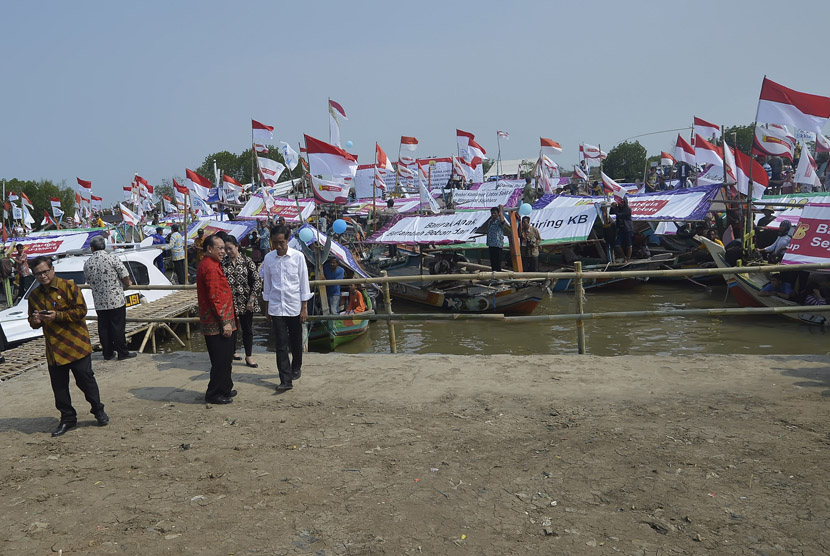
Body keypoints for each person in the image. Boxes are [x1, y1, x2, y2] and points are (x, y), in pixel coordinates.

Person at [28, 256, 108, 436]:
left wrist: (58, 316)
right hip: (54, 350)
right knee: (59, 388)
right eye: (38, 274)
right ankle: (68, 419)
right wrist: (35, 320)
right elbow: (32, 322)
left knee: (86, 381)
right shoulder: (34, 296)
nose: (42, 276)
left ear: (52, 269)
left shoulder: (68, 287)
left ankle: (98, 410)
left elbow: (81, 311)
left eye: (45, 272)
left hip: (76, 345)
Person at [260, 225, 312, 392]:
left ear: (287, 240)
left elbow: (304, 283)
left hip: (294, 305)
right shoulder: (268, 258)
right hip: (276, 306)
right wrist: (267, 307)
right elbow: (267, 284)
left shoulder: (298, 257)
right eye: (275, 243)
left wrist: (304, 307)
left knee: (295, 340)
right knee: (281, 343)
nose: (278, 246)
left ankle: (296, 366)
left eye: (281, 242)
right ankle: (285, 379)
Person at [196, 234, 237, 404]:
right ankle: (214, 393)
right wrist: (225, 321)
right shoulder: (210, 267)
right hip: (217, 321)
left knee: (226, 357)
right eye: (219, 248)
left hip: (222, 318)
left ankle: (225, 387)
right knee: (220, 359)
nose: (223, 251)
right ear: (209, 249)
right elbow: (215, 297)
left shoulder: (212, 264)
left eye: (224, 248)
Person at [83, 236, 137, 361]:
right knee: (117, 327)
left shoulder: (88, 263)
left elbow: (89, 280)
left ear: (92, 248)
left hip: (99, 301)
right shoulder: (112, 258)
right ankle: (122, 352)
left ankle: (107, 353)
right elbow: (124, 275)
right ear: (104, 246)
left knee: (104, 328)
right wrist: (128, 283)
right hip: (115, 299)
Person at [221, 235, 262, 368]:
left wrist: (252, 298)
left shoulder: (247, 261)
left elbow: (256, 280)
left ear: (237, 247)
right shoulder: (223, 263)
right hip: (229, 302)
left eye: (230, 248)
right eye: (225, 249)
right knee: (230, 329)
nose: (228, 252)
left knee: (247, 329)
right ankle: (231, 352)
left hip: (246, 301)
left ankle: (249, 355)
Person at [610, 196, 634, 263]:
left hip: (628, 228)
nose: (621, 203)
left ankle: (628, 259)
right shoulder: (619, 208)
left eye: (622, 202)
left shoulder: (628, 209)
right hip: (621, 229)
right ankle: (624, 257)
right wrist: (613, 206)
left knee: (629, 244)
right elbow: (611, 212)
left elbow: (619, 215)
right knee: (617, 245)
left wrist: (615, 208)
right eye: (620, 202)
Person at [485, 205, 508, 272]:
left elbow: (502, 221)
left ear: (498, 214)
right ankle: (494, 276)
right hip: (491, 244)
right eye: (492, 213)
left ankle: (498, 277)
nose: (493, 214)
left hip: (497, 244)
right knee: (493, 262)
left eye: (495, 213)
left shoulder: (499, 221)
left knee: (497, 262)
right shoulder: (490, 221)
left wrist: (501, 210)